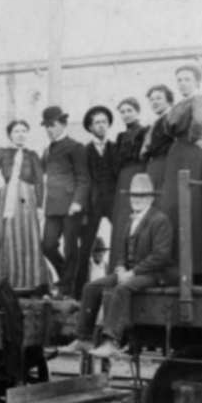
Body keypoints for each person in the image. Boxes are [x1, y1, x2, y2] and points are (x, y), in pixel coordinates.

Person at [64, 173, 176, 359]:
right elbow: (122, 253)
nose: (137, 200)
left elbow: (161, 257)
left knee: (121, 289)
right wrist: (121, 267)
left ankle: (112, 342)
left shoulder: (160, 220)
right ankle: (84, 338)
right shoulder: (131, 221)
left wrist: (132, 272)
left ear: (150, 198)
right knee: (91, 287)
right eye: (134, 196)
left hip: (154, 274)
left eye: (141, 196)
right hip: (132, 272)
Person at [159, 63, 202, 282]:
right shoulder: (181, 103)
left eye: (187, 79)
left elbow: (200, 121)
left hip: (191, 155)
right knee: (173, 207)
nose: (182, 83)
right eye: (179, 79)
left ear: (197, 81)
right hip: (178, 154)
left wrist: (196, 139)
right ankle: (176, 266)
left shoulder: (200, 100)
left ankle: (195, 267)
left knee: (192, 207)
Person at [0, 119, 48, 292]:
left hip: (27, 200)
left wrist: (40, 206)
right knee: (7, 236)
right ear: (10, 135)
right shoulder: (3, 153)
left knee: (28, 237)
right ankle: (7, 282)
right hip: (7, 198)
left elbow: (40, 181)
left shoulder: (32, 155)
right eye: (17, 131)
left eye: (24, 131)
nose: (21, 134)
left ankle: (29, 283)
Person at [39, 104, 89, 297]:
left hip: (71, 206)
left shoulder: (76, 147)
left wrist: (77, 202)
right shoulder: (47, 149)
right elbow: (39, 172)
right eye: (46, 126)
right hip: (52, 207)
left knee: (70, 249)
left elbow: (83, 177)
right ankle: (65, 279)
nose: (49, 130)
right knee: (48, 246)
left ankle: (67, 288)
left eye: (52, 125)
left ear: (62, 124)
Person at [74, 105, 118, 294]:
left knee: (122, 240)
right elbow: (81, 179)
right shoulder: (83, 150)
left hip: (113, 201)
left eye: (104, 122)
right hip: (91, 204)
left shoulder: (115, 147)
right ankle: (78, 292)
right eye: (97, 123)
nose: (101, 126)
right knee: (85, 248)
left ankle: (118, 286)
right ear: (90, 127)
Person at [109, 97, 147, 271]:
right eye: (122, 112)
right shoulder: (120, 136)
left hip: (138, 175)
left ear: (137, 111)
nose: (126, 115)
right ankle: (118, 266)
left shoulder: (145, 131)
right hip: (123, 180)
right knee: (121, 220)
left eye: (129, 110)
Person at [140, 84, 175, 194]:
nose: (154, 102)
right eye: (151, 100)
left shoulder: (172, 118)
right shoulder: (157, 122)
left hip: (166, 166)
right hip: (156, 168)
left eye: (159, 98)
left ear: (169, 100)